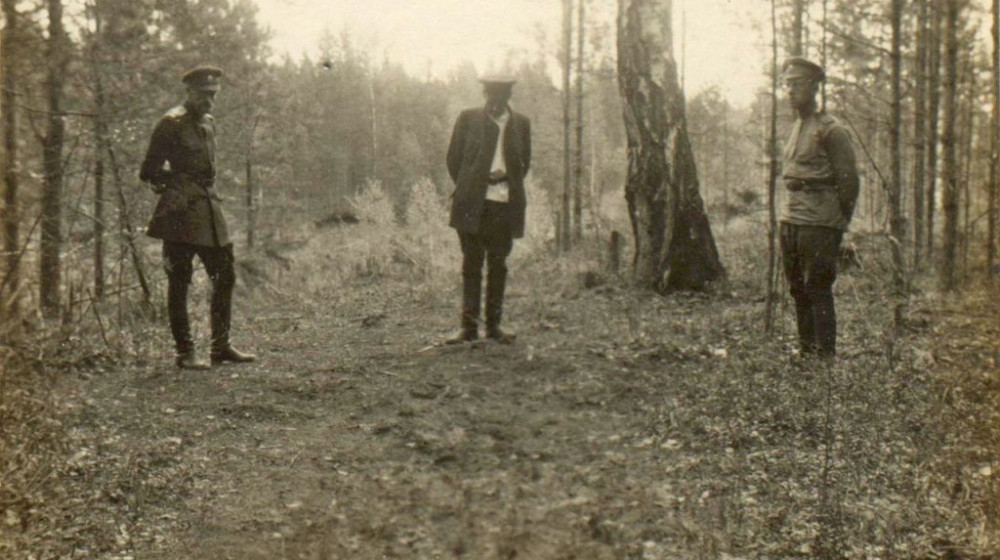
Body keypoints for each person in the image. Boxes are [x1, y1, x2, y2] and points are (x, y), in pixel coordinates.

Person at [139, 65, 256, 369]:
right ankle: (185, 352)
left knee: (225, 275)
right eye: (204, 94)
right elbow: (148, 171)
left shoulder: (209, 123)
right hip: (180, 214)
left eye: (214, 94)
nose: (210, 100)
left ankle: (221, 347)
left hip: (209, 209)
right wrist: (176, 185)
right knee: (179, 281)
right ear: (190, 92)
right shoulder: (170, 123)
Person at [779, 57, 860, 359]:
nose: (790, 91)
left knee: (817, 288)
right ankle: (806, 352)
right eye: (787, 85)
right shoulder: (797, 126)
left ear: (814, 87)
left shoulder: (832, 130)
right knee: (797, 288)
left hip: (820, 223)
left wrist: (840, 223)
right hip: (791, 218)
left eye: (797, 84)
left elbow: (849, 182)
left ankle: (824, 359)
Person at [445, 75, 532, 344]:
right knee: (471, 263)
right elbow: (453, 159)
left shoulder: (521, 124)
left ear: (508, 97)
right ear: (484, 95)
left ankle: (494, 327)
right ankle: (468, 328)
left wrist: (502, 181)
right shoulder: (468, 119)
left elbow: (524, 164)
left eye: (500, 98)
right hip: (472, 204)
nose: (494, 103)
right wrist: (471, 185)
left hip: (504, 205)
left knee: (498, 264)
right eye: (490, 97)